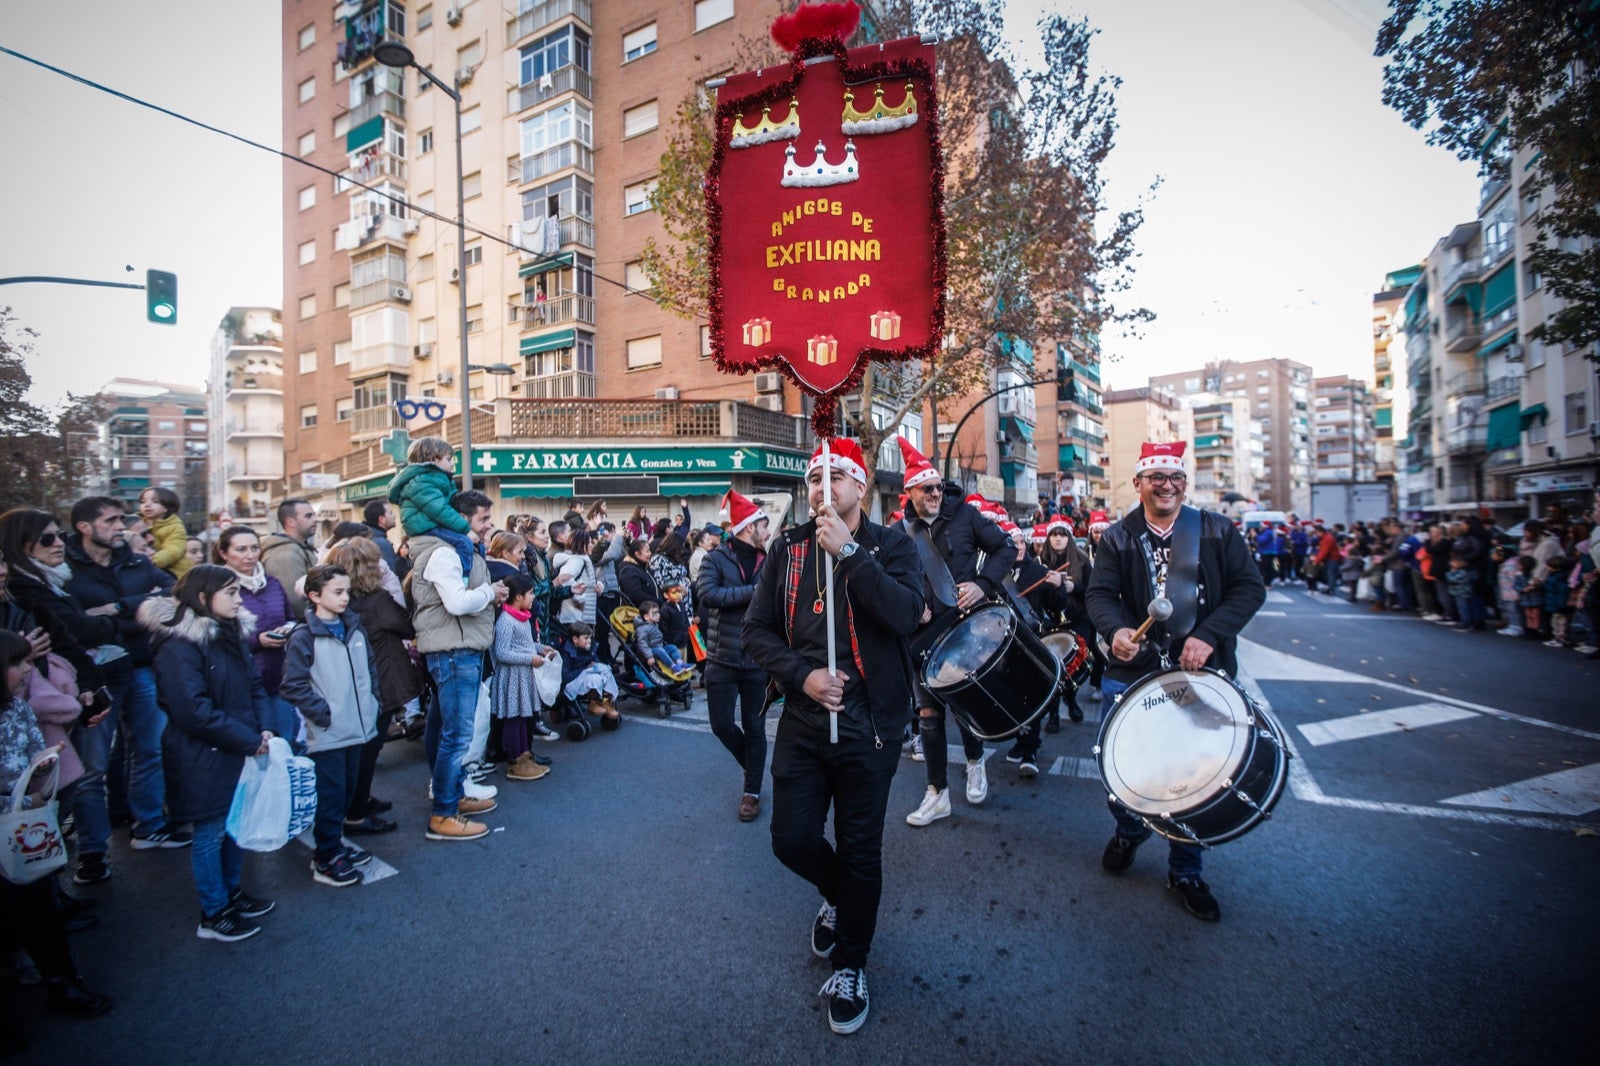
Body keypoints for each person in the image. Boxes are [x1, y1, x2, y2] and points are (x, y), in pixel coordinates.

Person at [742, 438, 923, 1036]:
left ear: (861, 487)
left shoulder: (892, 544)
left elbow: (904, 614)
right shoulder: (787, 549)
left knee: (861, 849)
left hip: (871, 725)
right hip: (802, 720)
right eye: (815, 478)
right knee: (790, 840)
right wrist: (805, 676)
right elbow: (757, 634)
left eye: (837, 477)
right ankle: (838, 895)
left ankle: (852, 964)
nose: (823, 488)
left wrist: (849, 554)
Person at [1085, 441, 1265, 923]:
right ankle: (1129, 828)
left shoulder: (1215, 531)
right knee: (1119, 767)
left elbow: (1251, 588)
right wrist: (1117, 630)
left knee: (1192, 778)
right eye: (1156, 477)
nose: (1166, 485)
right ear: (1139, 483)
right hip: (1135, 672)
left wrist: (1208, 635)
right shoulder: (1119, 536)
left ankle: (1185, 869)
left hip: (1199, 673)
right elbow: (1100, 594)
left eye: (1175, 477)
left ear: (1184, 483)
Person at [138, 566, 277, 943]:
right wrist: (248, 739)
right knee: (211, 832)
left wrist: (264, 728)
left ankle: (231, 893)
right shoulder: (178, 644)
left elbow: (254, 686)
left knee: (235, 827)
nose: (239, 599)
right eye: (230, 593)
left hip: (238, 744)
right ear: (202, 598)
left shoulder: (229, 631)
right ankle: (214, 911)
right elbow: (192, 710)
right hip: (202, 753)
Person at [894, 437, 1012, 827]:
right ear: (908, 492)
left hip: (965, 627)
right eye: (926, 488)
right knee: (928, 712)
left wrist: (982, 584)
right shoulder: (899, 531)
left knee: (963, 706)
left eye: (938, 487)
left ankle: (976, 762)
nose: (935, 494)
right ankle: (936, 793)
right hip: (922, 634)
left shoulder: (964, 515)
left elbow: (1006, 549)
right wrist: (912, 605)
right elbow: (892, 580)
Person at [61, 497, 180, 878]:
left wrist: (116, 609)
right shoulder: (64, 568)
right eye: (111, 520)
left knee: (148, 750)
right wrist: (138, 612)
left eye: (120, 519)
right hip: (95, 675)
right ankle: (93, 851)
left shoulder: (136, 560)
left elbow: (173, 595)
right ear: (84, 526)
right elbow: (74, 622)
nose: (121, 526)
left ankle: (148, 826)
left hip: (142, 667)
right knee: (90, 766)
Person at [0, 630, 113, 1017]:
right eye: (17, 664)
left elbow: (37, 752)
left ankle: (62, 983)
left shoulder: (16, 708)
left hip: (26, 826)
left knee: (39, 910)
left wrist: (41, 782)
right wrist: (16, 799)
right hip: (12, 819)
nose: (27, 670)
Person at [410, 489, 507, 843]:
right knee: (457, 735)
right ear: (461, 519)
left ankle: (451, 795)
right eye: (483, 519)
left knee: (443, 728)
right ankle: (444, 813)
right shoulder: (444, 553)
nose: (488, 525)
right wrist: (491, 593)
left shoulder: (455, 550)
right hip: (454, 650)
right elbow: (457, 602)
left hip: (457, 647)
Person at [279, 565, 380, 888]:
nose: (345, 597)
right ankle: (326, 855)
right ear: (314, 596)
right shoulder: (304, 635)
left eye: (347, 591)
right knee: (332, 794)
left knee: (347, 791)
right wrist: (323, 714)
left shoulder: (354, 627)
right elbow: (293, 685)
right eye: (337, 592)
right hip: (330, 731)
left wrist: (372, 703)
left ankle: (334, 845)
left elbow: (370, 672)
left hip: (358, 725)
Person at [324, 537, 411, 828]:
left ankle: (360, 799)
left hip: (351, 682)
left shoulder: (337, 602)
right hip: (380, 680)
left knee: (360, 747)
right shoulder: (377, 601)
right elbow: (406, 624)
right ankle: (356, 810)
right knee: (368, 748)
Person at [697, 490, 770, 821]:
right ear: (748, 528)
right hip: (722, 658)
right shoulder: (715, 558)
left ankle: (752, 791)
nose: (768, 533)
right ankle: (752, 767)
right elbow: (708, 595)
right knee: (721, 725)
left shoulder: (767, 560)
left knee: (756, 728)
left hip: (757, 660)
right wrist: (752, 593)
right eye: (764, 526)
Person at [492, 574, 556, 781]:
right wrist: (530, 658)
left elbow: (525, 644)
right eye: (530, 593)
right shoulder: (506, 621)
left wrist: (541, 648)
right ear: (518, 597)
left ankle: (524, 757)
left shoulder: (522, 617)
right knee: (513, 719)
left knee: (522, 718)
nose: (533, 597)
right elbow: (502, 653)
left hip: (522, 675)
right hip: (512, 677)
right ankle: (515, 762)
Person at [387, 437, 478, 581]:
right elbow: (440, 510)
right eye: (448, 459)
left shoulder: (439, 478)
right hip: (427, 526)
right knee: (464, 543)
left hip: (432, 524)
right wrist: (465, 529)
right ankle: (464, 579)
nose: (452, 463)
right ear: (434, 459)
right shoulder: (421, 481)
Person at [261, 498, 319, 619]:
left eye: (314, 515)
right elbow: (293, 599)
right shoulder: (286, 554)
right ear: (290, 522)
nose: (315, 520)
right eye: (308, 516)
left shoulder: (300, 548)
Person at [557, 621, 619, 722]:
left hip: (586, 678)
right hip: (573, 683)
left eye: (590, 638)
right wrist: (585, 669)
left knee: (606, 670)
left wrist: (596, 667)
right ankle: (593, 703)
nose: (589, 641)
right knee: (593, 678)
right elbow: (566, 676)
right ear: (575, 639)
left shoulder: (590, 649)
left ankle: (607, 701)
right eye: (586, 638)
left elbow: (597, 664)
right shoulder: (567, 653)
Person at [139, 487, 192, 581]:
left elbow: (174, 550)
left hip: (174, 572)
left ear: (166, 507)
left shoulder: (175, 526)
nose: (147, 505)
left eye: (155, 501)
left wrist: (152, 561)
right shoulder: (138, 523)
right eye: (143, 501)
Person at [633, 600, 690, 676]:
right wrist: (649, 656)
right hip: (651, 650)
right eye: (654, 613)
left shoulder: (654, 624)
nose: (658, 615)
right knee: (661, 651)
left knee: (672, 647)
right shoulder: (642, 629)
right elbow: (642, 644)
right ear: (646, 617)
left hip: (659, 646)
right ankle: (673, 666)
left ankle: (680, 662)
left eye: (658, 612)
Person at [363, 499, 408, 580]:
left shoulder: (367, 537)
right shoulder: (382, 544)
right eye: (390, 513)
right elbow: (391, 577)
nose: (394, 515)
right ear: (381, 519)